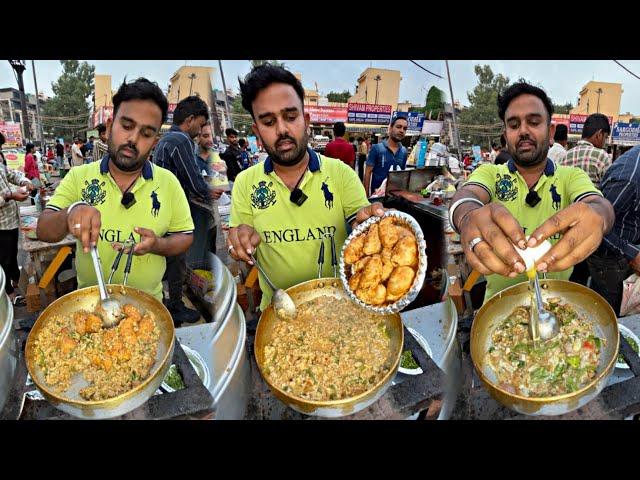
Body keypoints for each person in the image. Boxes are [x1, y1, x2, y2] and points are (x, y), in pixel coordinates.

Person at [37, 78, 195, 324]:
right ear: (110, 126)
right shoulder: (80, 177)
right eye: (127, 125)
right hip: (89, 311)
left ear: (154, 142)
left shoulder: (169, 183)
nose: (133, 139)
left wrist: (157, 245)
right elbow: (44, 229)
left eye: (146, 133)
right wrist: (71, 213)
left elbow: (185, 236)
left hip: (147, 314)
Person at [228, 64, 384, 312]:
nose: (282, 130)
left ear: (306, 120)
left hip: (342, 306)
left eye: (291, 117)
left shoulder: (341, 174)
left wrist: (367, 226)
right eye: (269, 122)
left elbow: (361, 224)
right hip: (280, 311)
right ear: (257, 132)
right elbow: (244, 242)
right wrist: (242, 242)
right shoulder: (246, 183)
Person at [449, 82, 614, 303]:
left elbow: (599, 205)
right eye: (514, 125)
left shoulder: (570, 177)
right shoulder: (490, 173)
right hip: (498, 309)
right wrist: (467, 217)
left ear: (551, 130)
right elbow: (466, 196)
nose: (524, 131)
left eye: (534, 122)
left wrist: (599, 217)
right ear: (505, 135)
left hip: (559, 307)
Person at [152, 95, 212, 324]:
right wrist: (212, 193)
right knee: (177, 259)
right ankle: (175, 305)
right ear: (190, 119)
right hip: (173, 215)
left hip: (163, 211)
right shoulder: (181, 140)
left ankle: (171, 301)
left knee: (171, 259)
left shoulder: (167, 139)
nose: (202, 128)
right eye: (201, 123)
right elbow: (194, 181)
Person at [588, 145, 640, 315]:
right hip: (610, 261)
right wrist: (633, 254)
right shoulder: (628, 179)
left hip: (628, 248)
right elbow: (596, 227)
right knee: (609, 315)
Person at [0, 135, 33, 306]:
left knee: (12, 255)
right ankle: (10, 295)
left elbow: (10, 174)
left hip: (11, 221)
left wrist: (25, 181)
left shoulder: (0, 161)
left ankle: (16, 282)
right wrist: (10, 195)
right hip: (1, 225)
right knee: (4, 260)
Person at [191, 121, 224, 261]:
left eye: (211, 135)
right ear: (198, 137)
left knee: (212, 252)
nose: (210, 139)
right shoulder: (191, 159)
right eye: (205, 136)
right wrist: (206, 192)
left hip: (213, 216)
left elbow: (221, 180)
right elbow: (185, 187)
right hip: (196, 217)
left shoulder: (215, 157)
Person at [560, 113, 612, 188]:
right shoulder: (602, 156)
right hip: (593, 199)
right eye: (605, 137)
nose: (604, 142)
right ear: (599, 134)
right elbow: (608, 189)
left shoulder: (564, 157)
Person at [364, 116, 408, 196]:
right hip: (377, 198)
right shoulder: (377, 148)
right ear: (390, 128)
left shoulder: (404, 151)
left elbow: (402, 175)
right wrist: (366, 196)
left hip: (395, 198)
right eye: (398, 127)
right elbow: (367, 173)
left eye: (404, 128)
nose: (402, 130)